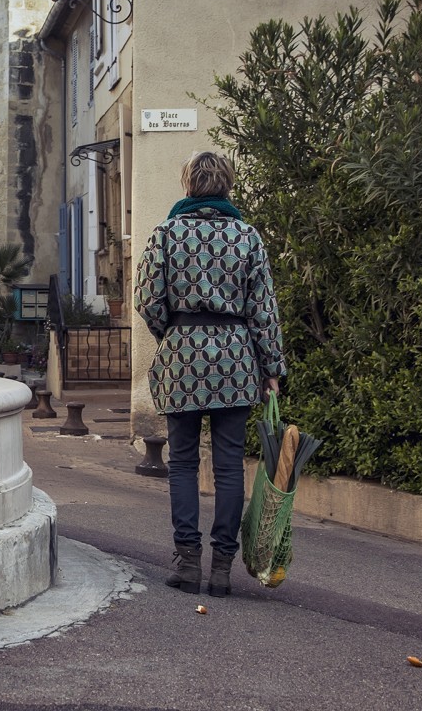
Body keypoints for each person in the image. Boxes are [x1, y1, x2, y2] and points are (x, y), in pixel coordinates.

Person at [134, 151, 285, 598]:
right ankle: (222, 568)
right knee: (228, 465)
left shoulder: (166, 233)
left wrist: (174, 330)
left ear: (188, 185)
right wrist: (272, 367)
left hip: (182, 355)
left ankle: (187, 563)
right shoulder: (247, 237)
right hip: (237, 358)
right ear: (227, 185)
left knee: (180, 460)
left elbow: (146, 297)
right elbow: (264, 309)